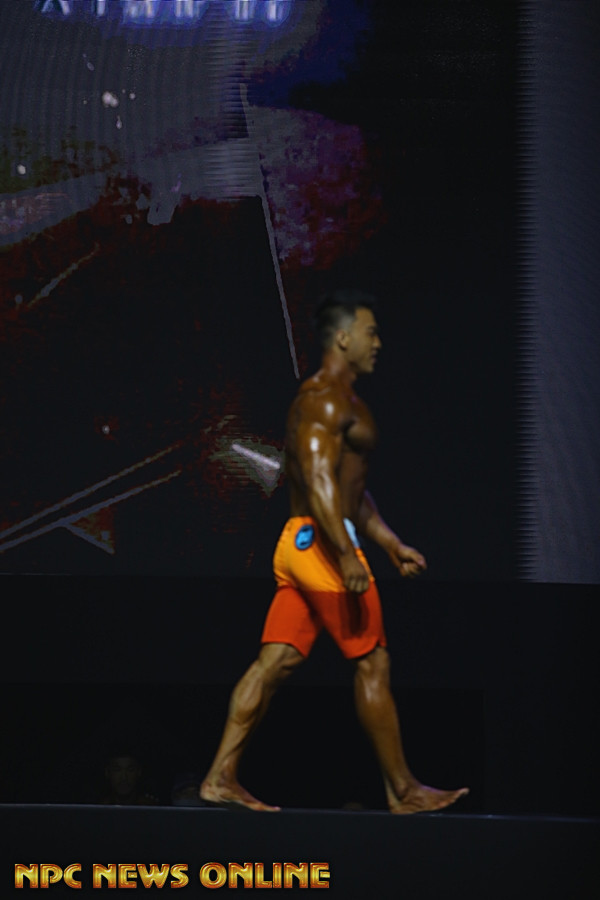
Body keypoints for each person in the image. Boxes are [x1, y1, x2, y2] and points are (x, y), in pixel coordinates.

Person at [200, 289, 468, 814]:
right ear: (343, 338)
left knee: (275, 661)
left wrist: (389, 543)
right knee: (372, 661)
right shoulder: (324, 399)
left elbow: (351, 491)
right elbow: (319, 480)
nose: (378, 343)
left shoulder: (342, 401)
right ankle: (403, 790)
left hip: (303, 542)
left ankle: (218, 778)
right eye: (370, 332)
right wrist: (345, 553)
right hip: (321, 544)